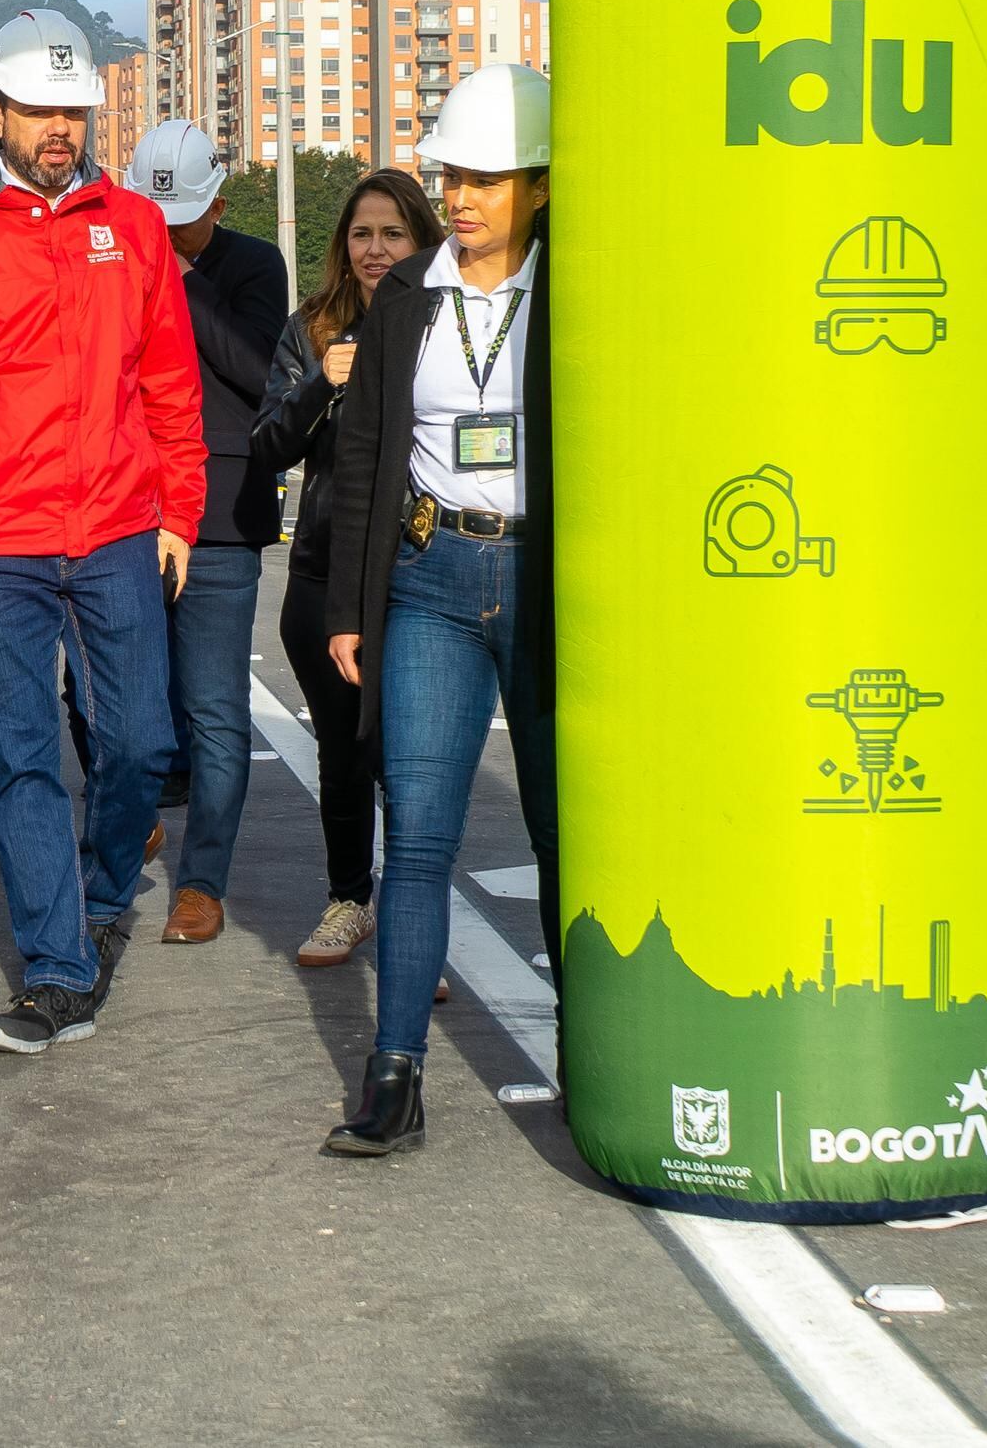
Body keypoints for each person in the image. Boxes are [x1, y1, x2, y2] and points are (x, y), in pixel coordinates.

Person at [0, 8, 208, 1058]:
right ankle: (57, 969)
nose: (58, 128)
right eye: (37, 109)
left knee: (139, 742)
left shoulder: (135, 227)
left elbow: (169, 382)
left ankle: (107, 889)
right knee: (22, 760)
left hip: (117, 527)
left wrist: (180, 513)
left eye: (72, 109)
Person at [318, 69, 557, 1157]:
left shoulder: (575, 290)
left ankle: (589, 1054)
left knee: (567, 836)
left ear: (539, 186)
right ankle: (394, 1074)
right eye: (451, 174)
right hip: (428, 583)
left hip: (549, 585)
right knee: (414, 838)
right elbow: (363, 454)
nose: (460, 195)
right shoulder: (406, 290)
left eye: (486, 178)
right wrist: (344, 608)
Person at [248, 165, 433, 968]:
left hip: (421, 570)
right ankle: (349, 901)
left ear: (421, 238)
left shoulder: (447, 321)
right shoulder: (313, 328)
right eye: (362, 233)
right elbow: (266, 446)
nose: (376, 248)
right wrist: (321, 384)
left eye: (393, 232)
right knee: (342, 753)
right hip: (324, 575)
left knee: (411, 755)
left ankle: (413, 928)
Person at [123, 119, 289, 946]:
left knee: (216, 708)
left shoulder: (254, 263)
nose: (161, 232)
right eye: (149, 219)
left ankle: (202, 881)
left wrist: (175, 283)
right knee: (106, 693)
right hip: (121, 499)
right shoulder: (106, 252)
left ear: (218, 201)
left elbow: (262, 374)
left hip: (221, 512)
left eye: (179, 218)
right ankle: (134, 813)